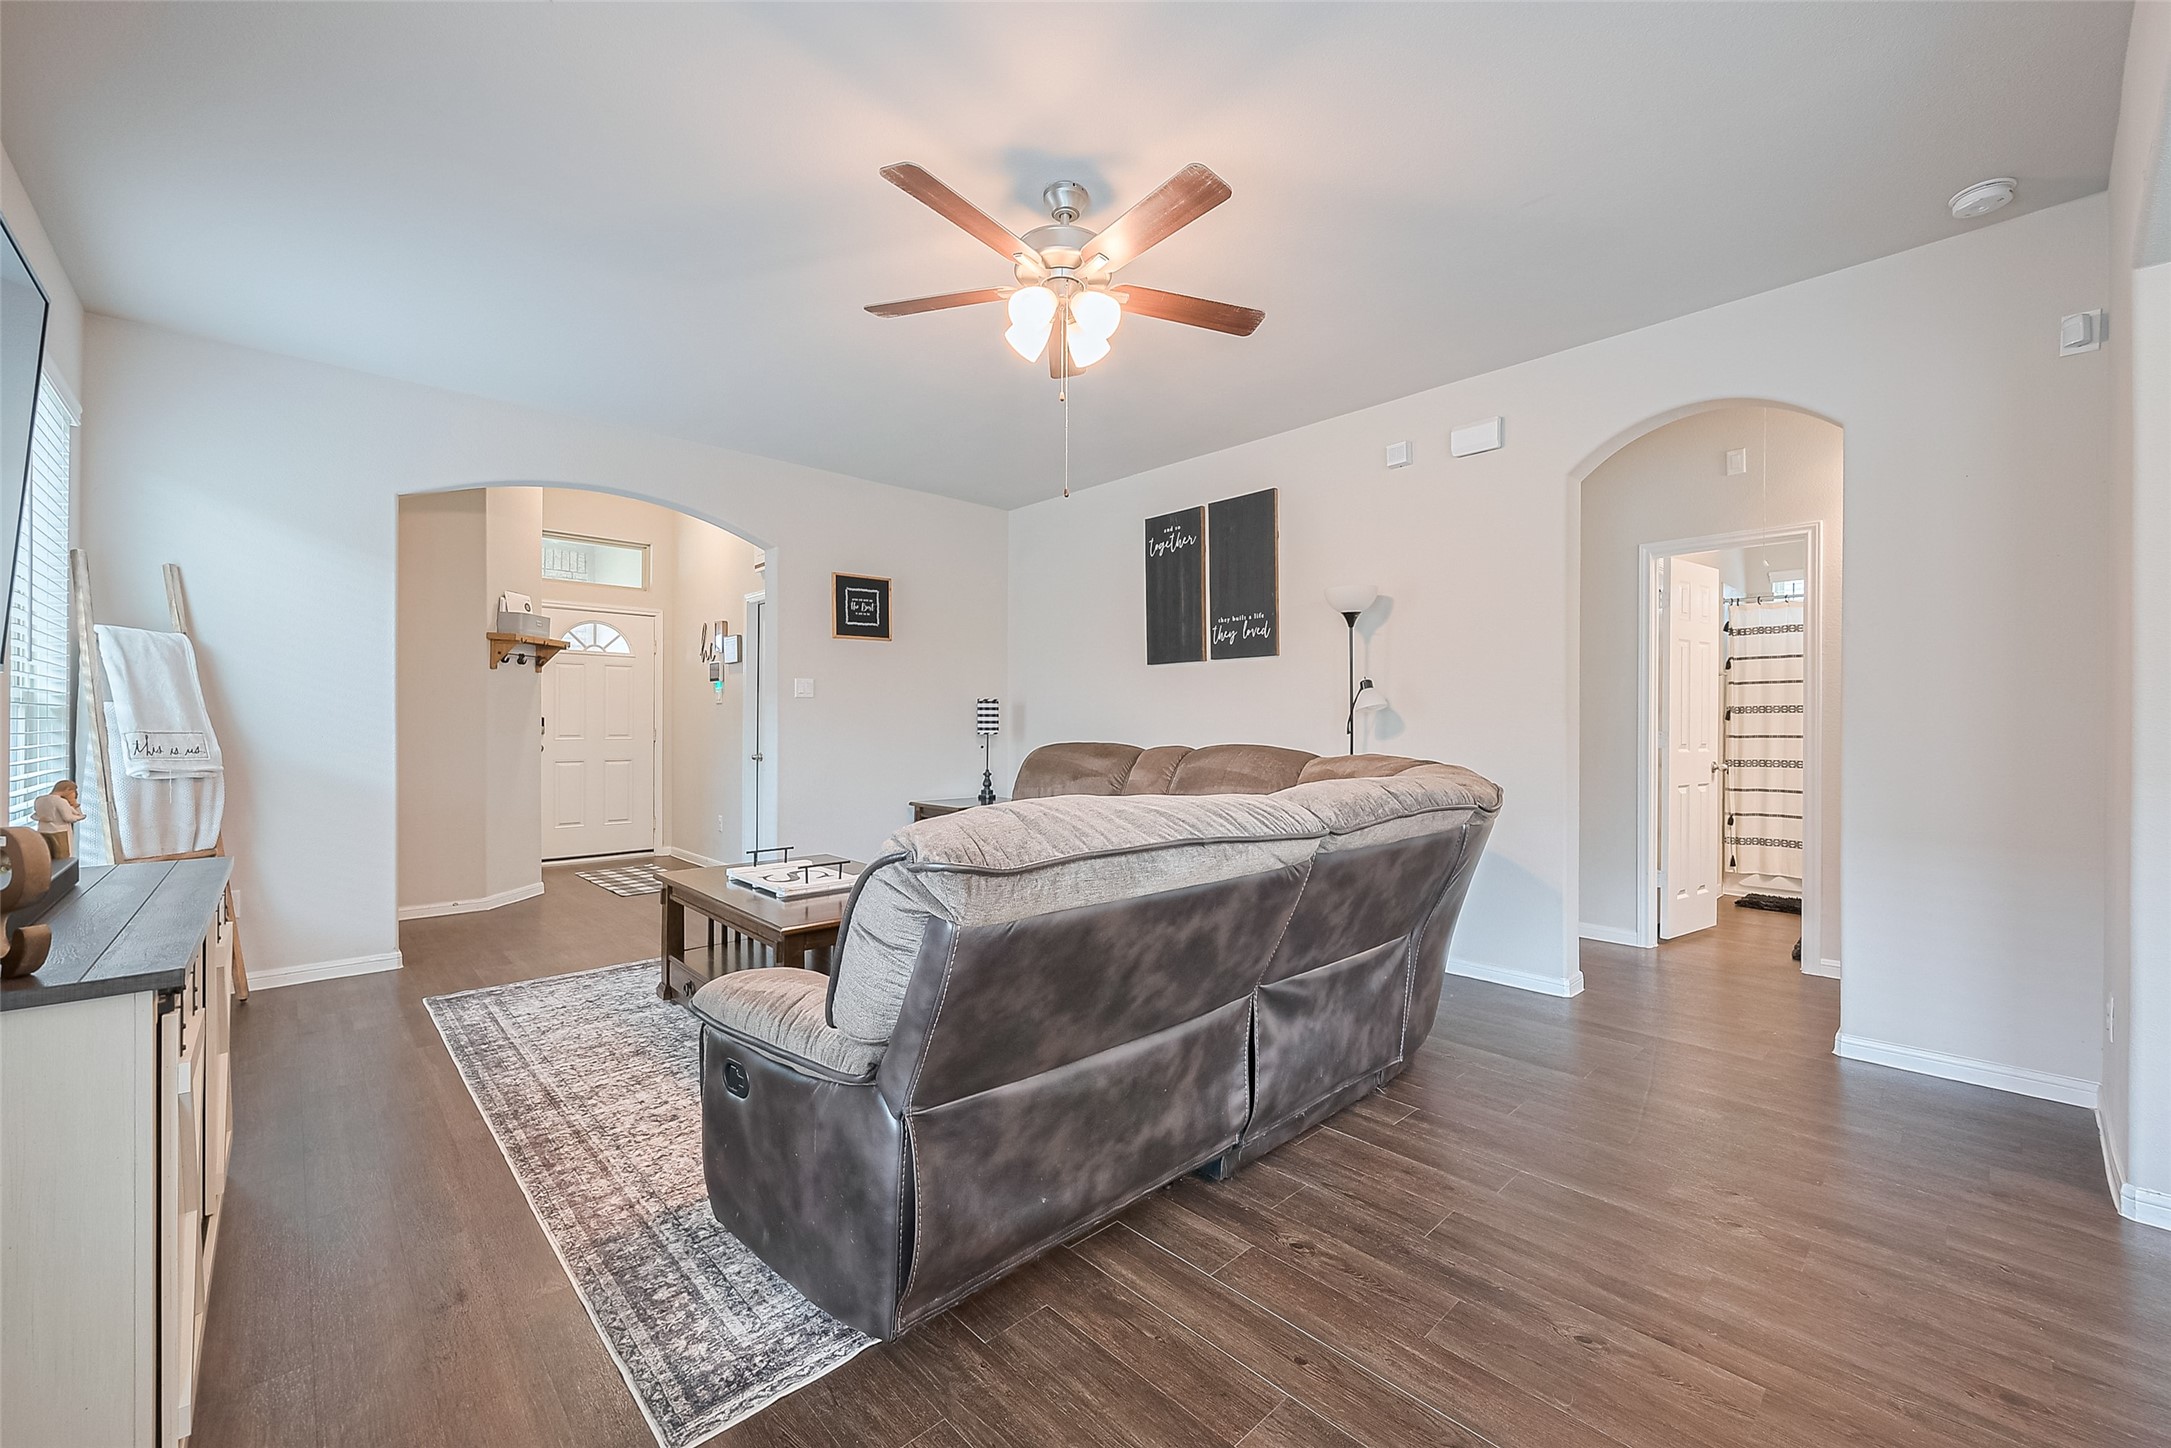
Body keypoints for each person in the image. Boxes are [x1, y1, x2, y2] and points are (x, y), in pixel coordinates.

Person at [32, 780, 85, 860]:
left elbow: (36, 815)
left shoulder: (39, 800)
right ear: (67, 789)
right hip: (60, 832)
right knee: (62, 858)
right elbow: (68, 818)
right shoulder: (60, 801)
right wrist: (80, 817)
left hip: (42, 831)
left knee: (47, 856)